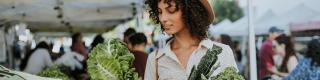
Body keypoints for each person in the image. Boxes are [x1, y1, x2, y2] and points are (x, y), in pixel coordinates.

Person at [144, 0, 238, 79]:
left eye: (171, 10)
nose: (163, 18)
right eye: (160, 12)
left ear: (190, 11)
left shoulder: (223, 53)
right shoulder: (155, 59)